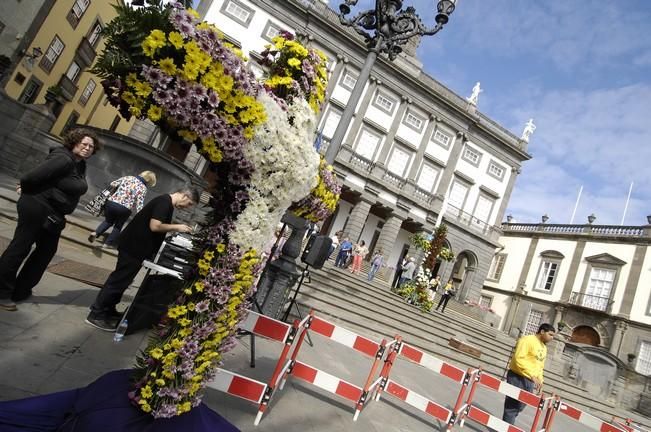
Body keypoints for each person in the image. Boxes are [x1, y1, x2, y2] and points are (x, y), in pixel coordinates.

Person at [0, 129, 101, 311]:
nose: (87, 148)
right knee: (20, 247)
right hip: (36, 206)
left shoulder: (79, 164)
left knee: (46, 250)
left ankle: (20, 290)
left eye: (91, 147)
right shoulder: (63, 158)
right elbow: (30, 177)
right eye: (84, 144)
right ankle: (2, 292)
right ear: (74, 142)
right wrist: (25, 188)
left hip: (52, 213)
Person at [85, 187, 199, 331]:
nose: (187, 208)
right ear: (184, 196)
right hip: (133, 247)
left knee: (124, 280)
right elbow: (155, 226)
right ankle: (96, 314)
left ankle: (108, 310)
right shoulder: (164, 202)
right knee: (118, 280)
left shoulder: (166, 203)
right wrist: (177, 227)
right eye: (189, 204)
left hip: (136, 248)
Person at [502, 323, 556, 425]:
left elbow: (540, 366)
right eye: (550, 334)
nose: (552, 338)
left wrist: (540, 381)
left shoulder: (544, 347)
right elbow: (518, 358)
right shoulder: (527, 340)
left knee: (521, 404)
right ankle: (506, 427)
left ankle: (506, 425)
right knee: (513, 405)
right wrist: (531, 375)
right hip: (517, 376)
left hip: (531, 380)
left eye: (553, 336)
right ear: (542, 331)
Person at [88, 170, 157, 248]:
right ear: (149, 180)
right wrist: (141, 215)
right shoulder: (143, 188)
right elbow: (139, 203)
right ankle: (107, 244)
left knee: (108, 221)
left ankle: (96, 233)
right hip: (125, 208)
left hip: (111, 203)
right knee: (118, 226)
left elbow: (113, 184)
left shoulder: (128, 177)